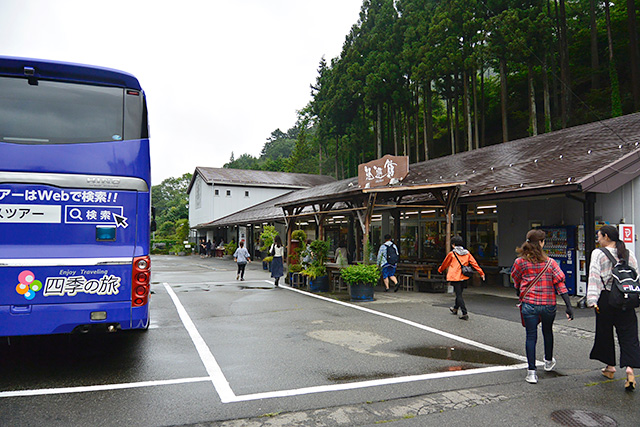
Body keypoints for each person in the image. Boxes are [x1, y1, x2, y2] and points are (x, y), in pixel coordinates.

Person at [511, 229, 574, 384]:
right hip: (548, 305)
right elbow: (560, 284)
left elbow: (515, 279)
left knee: (531, 336)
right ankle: (547, 362)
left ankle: (531, 372)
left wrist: (519, 290)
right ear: (540, 243)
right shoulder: (551, 263)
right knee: (547, 331)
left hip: (529, 304)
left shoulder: (520, 262)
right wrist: (568, 306)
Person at [586, 224, 640, 391]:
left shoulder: (598, 253)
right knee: (629, 333)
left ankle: (610, 367)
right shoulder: (628, 253)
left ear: (607, 237)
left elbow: (594, 276)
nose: (598, 239)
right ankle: (630, 369)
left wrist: (592, 299)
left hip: (607, 297)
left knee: (605, 331)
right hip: (626, 298)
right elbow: (636, 276)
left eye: (599, 236)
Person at [438, 235, 485, 321]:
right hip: (465, 276)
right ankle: (455, 309)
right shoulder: (467, 253)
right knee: (459, 293)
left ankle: (464, 312)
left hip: (455, 276)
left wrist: (440, 269)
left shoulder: (452, 254)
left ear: (453, 245)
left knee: (458, 294)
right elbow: (474, 263)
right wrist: (481, 273)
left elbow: (445, 263)